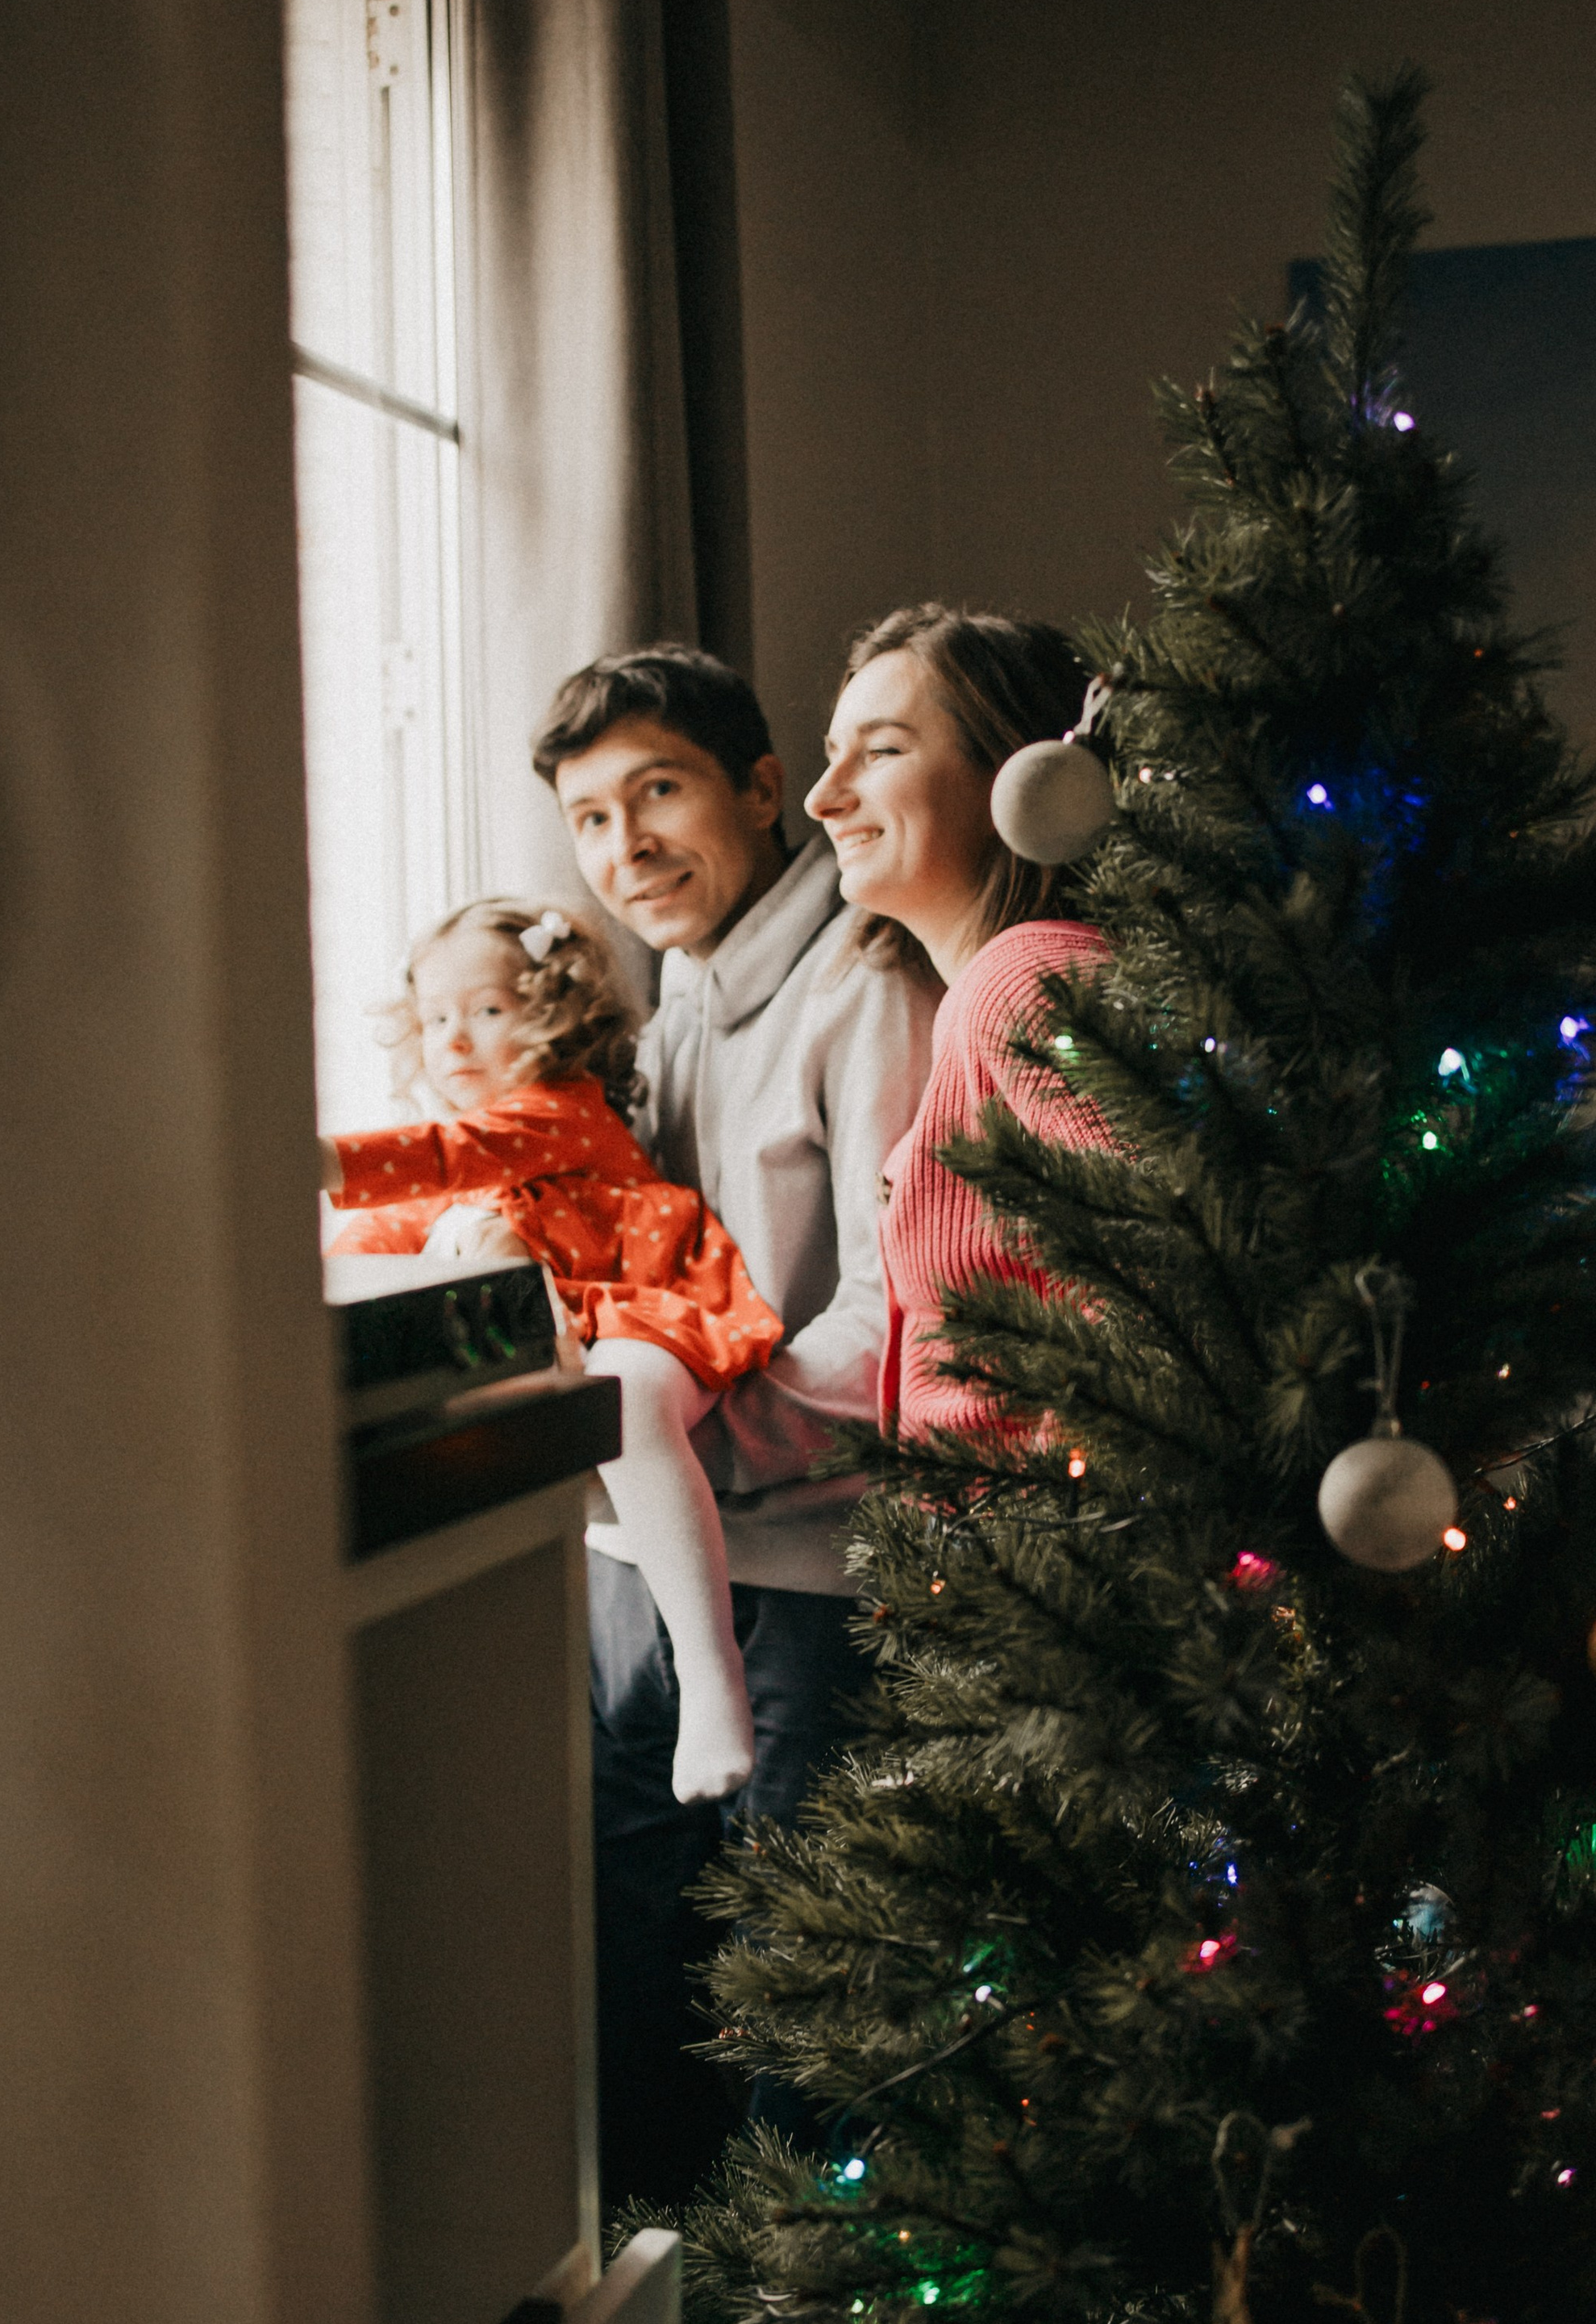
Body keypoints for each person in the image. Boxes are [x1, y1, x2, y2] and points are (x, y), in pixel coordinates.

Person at [535, 645, 939, 2211]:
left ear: (762, 791)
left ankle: (796, 2319)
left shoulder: (868, 987)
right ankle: (663, 2314)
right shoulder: (662, 1009)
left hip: (802, 1578)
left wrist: (680, 1457)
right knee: (631, 1983)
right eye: (588, 819)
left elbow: (897, 1315)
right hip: (631, 1570)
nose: (624, 847)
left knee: (795, 1999)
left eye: (658, 792)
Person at [319, 899, 782, 1804]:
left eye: (487, 1011)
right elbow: (364, 1254)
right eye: (436, 1019)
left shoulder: (562, 1112)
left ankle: (710, 1672)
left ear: (554, 1017)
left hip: (643, 1306)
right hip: (561, 1348)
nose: (455, 1041)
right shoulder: (447, 1182)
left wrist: (321, 1161)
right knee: (459, 1258)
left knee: (626, 1392)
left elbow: (452, 1152)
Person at [803, 602, 1115, 1437]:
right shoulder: (990, 992)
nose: (821, 799)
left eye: (881, 752)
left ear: (1016, 771)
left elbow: (1176, 1292)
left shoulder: (1026, 980)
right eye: (831, 756)